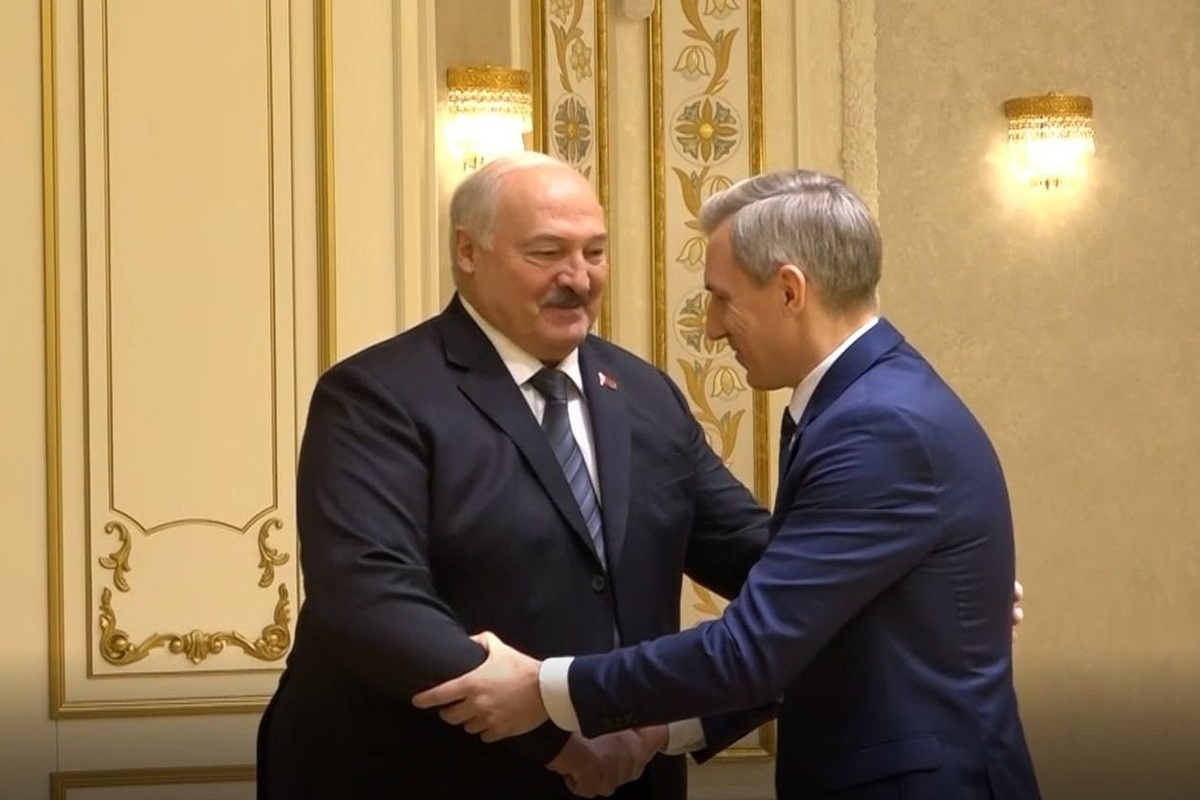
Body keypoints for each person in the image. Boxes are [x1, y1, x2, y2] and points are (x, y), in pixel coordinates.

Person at [413, 169, 1042, 799]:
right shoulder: (868, 401)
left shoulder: (877, 426)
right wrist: (657, 732)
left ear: (790, 291)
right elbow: (809, 622)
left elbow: (755, 648)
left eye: (722, 298)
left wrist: (542, 688)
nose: (712, 327)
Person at [255, 151, 773, 799]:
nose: (578, 278)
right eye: (547, 253)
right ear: (468, 252)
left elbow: (771, 569)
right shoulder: (377, 397)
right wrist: (558, 736)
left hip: (625, 777)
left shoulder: (646, 395)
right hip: (423, 773)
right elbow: (369, 600)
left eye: (595, 252)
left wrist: (676, 722)